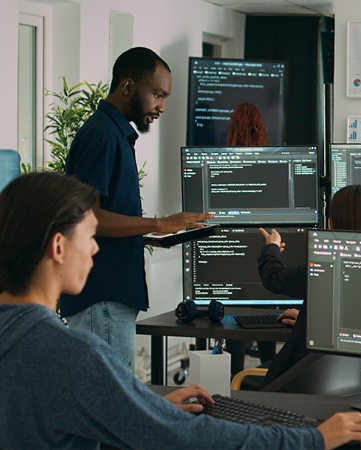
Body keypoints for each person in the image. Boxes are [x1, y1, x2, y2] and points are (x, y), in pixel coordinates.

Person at [0, 172, 361, 450]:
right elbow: (191, 441)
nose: (96, 249)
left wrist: (141, 405)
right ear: (59, 248)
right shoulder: (76, 358)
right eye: (90, 237)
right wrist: (316, 439)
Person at [62, 47, 213, 367]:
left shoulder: (115, 134)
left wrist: (154, 235)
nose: (161, 106)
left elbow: (105, 216)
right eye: (157, 94)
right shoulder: (102, 135)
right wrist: (158, 225)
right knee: (110, 403)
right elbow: (86, 218)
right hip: (100, 295)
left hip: (110, 295)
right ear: (128, 86)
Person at [257, 185, 361, 387]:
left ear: (333, 221)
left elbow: (273, 277)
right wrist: (309, 322)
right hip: (341, 390)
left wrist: (272, 246)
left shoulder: (328, 267)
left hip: (289, 390)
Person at [224, 100, 274, 373]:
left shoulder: (222, 162)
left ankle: (235, 383)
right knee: (266, 318)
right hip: (264, 243)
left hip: (234, 248)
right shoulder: (271, 161)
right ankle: (267, 382)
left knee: (235, 324)